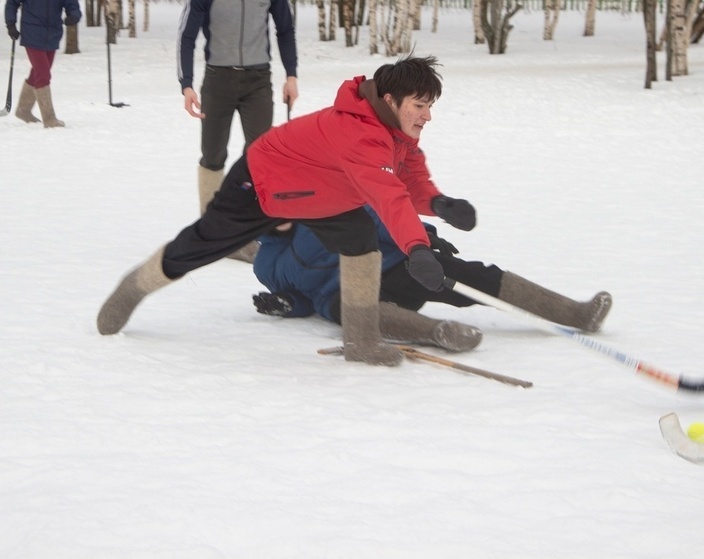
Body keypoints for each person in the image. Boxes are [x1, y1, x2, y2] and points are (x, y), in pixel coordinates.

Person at [96, 55, 477, 368]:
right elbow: (388, 196)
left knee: (360, 238)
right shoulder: (362, 135)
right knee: (201, 244)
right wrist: (417, 247)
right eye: (420, 106)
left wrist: (439, 204)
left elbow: (408, 178)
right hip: (263, 183)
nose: (427, 116)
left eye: (430, 106)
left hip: (320, 194)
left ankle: (361, 341)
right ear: (391, 100)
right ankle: (133, 288)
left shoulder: (395, 131)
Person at [251, 209, 613, 333]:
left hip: (394, 265)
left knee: (473, 277)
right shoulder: (265, 264)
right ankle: (441, 334)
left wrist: (420, 237)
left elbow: (379, 216)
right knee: (356, 314)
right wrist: (287, 304)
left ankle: (575, 313)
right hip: (342, 297)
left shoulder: (324, 208)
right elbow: (305, 299)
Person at [177, 0, 299, 261]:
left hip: (258, 81)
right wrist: (186, 84)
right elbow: (186, 35)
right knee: (213, 154)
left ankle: (245, 232)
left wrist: (292, 75)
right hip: (217, 80)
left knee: (259, 157)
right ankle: (209, 233)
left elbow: (285, 29)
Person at [5, 0, 81, 127]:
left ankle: (23, 110)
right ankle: (49, 118)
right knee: (43, 73)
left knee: (38, 72)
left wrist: (73, 15)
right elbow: (12, 3)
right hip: (31, 33)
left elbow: (71, 4)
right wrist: (10, 24)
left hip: (53, 34)